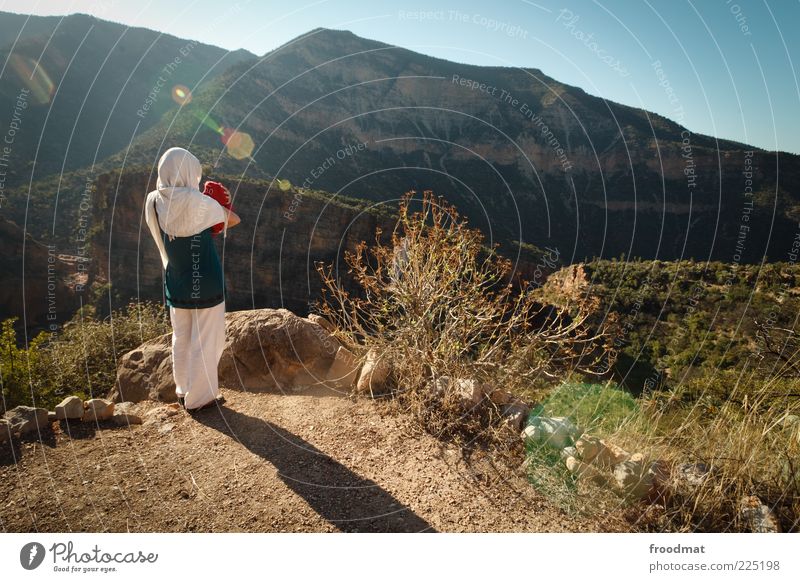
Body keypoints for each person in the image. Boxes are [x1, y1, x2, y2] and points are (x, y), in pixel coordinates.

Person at [144, 147, 241, 412]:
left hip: (176, 280)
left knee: (181, 338)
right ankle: (201, 398)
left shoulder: (153, 200)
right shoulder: (198, 202)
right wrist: (222, 203)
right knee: (207, 341)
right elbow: (232, 220)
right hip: (206, 280)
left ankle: (183, 389)